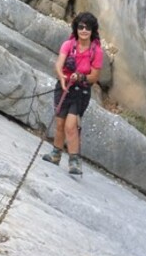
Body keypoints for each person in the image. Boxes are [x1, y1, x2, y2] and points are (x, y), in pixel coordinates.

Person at [43, 12, 103, 175]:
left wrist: (81, 76)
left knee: (71, 125)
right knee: (60, 123)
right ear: (76, 28)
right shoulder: (68, 45)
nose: (84, 30)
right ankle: (56, 154)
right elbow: (59, 64)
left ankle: (74, 160)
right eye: (81, 27)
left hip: (80, 91)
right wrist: (62, 77)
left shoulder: (96, 51)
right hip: (63, 88)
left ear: (92, 30)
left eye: (87, 27)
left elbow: (94, 77)